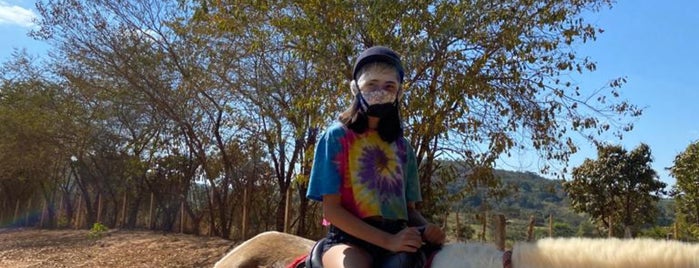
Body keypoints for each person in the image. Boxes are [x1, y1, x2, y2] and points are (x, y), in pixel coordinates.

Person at [306, 46, 446, 268]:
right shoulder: (335, 137)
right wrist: (388, 241)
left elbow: (409, 211)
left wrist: (427, 228)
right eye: (371, 84)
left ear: (398, 92)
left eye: (389, 85)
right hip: (349, 240)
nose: (380, 91)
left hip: (400, 237)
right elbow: (331, 210)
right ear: (356, 88)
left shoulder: (403, 148)